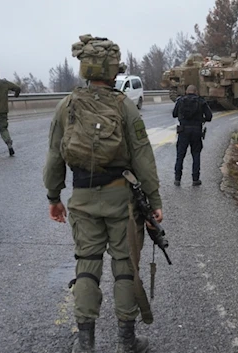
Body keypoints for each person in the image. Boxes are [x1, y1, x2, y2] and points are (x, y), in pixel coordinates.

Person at [44, 34, 163, 353]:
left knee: (87, 264)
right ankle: (127, 341)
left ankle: (86, 344)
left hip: (82, 199)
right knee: (124, 266)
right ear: (113, 72)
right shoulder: (125, 107)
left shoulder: (65, 105)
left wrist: (54, 198)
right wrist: (154, 201)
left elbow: (55, 157)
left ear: (84, 69)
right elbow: (143, 156)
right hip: (121, 200)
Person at [172, 85, 213, 186]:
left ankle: (177, 179)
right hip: (196, 131)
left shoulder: (180, 100)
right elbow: (209, 116)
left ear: (186, 91)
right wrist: (201, 119)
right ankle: (195, 179)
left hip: (183, 130)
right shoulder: (201, 101)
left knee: (180, 155)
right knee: (196, 154)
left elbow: (174, 114)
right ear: (196, 92)